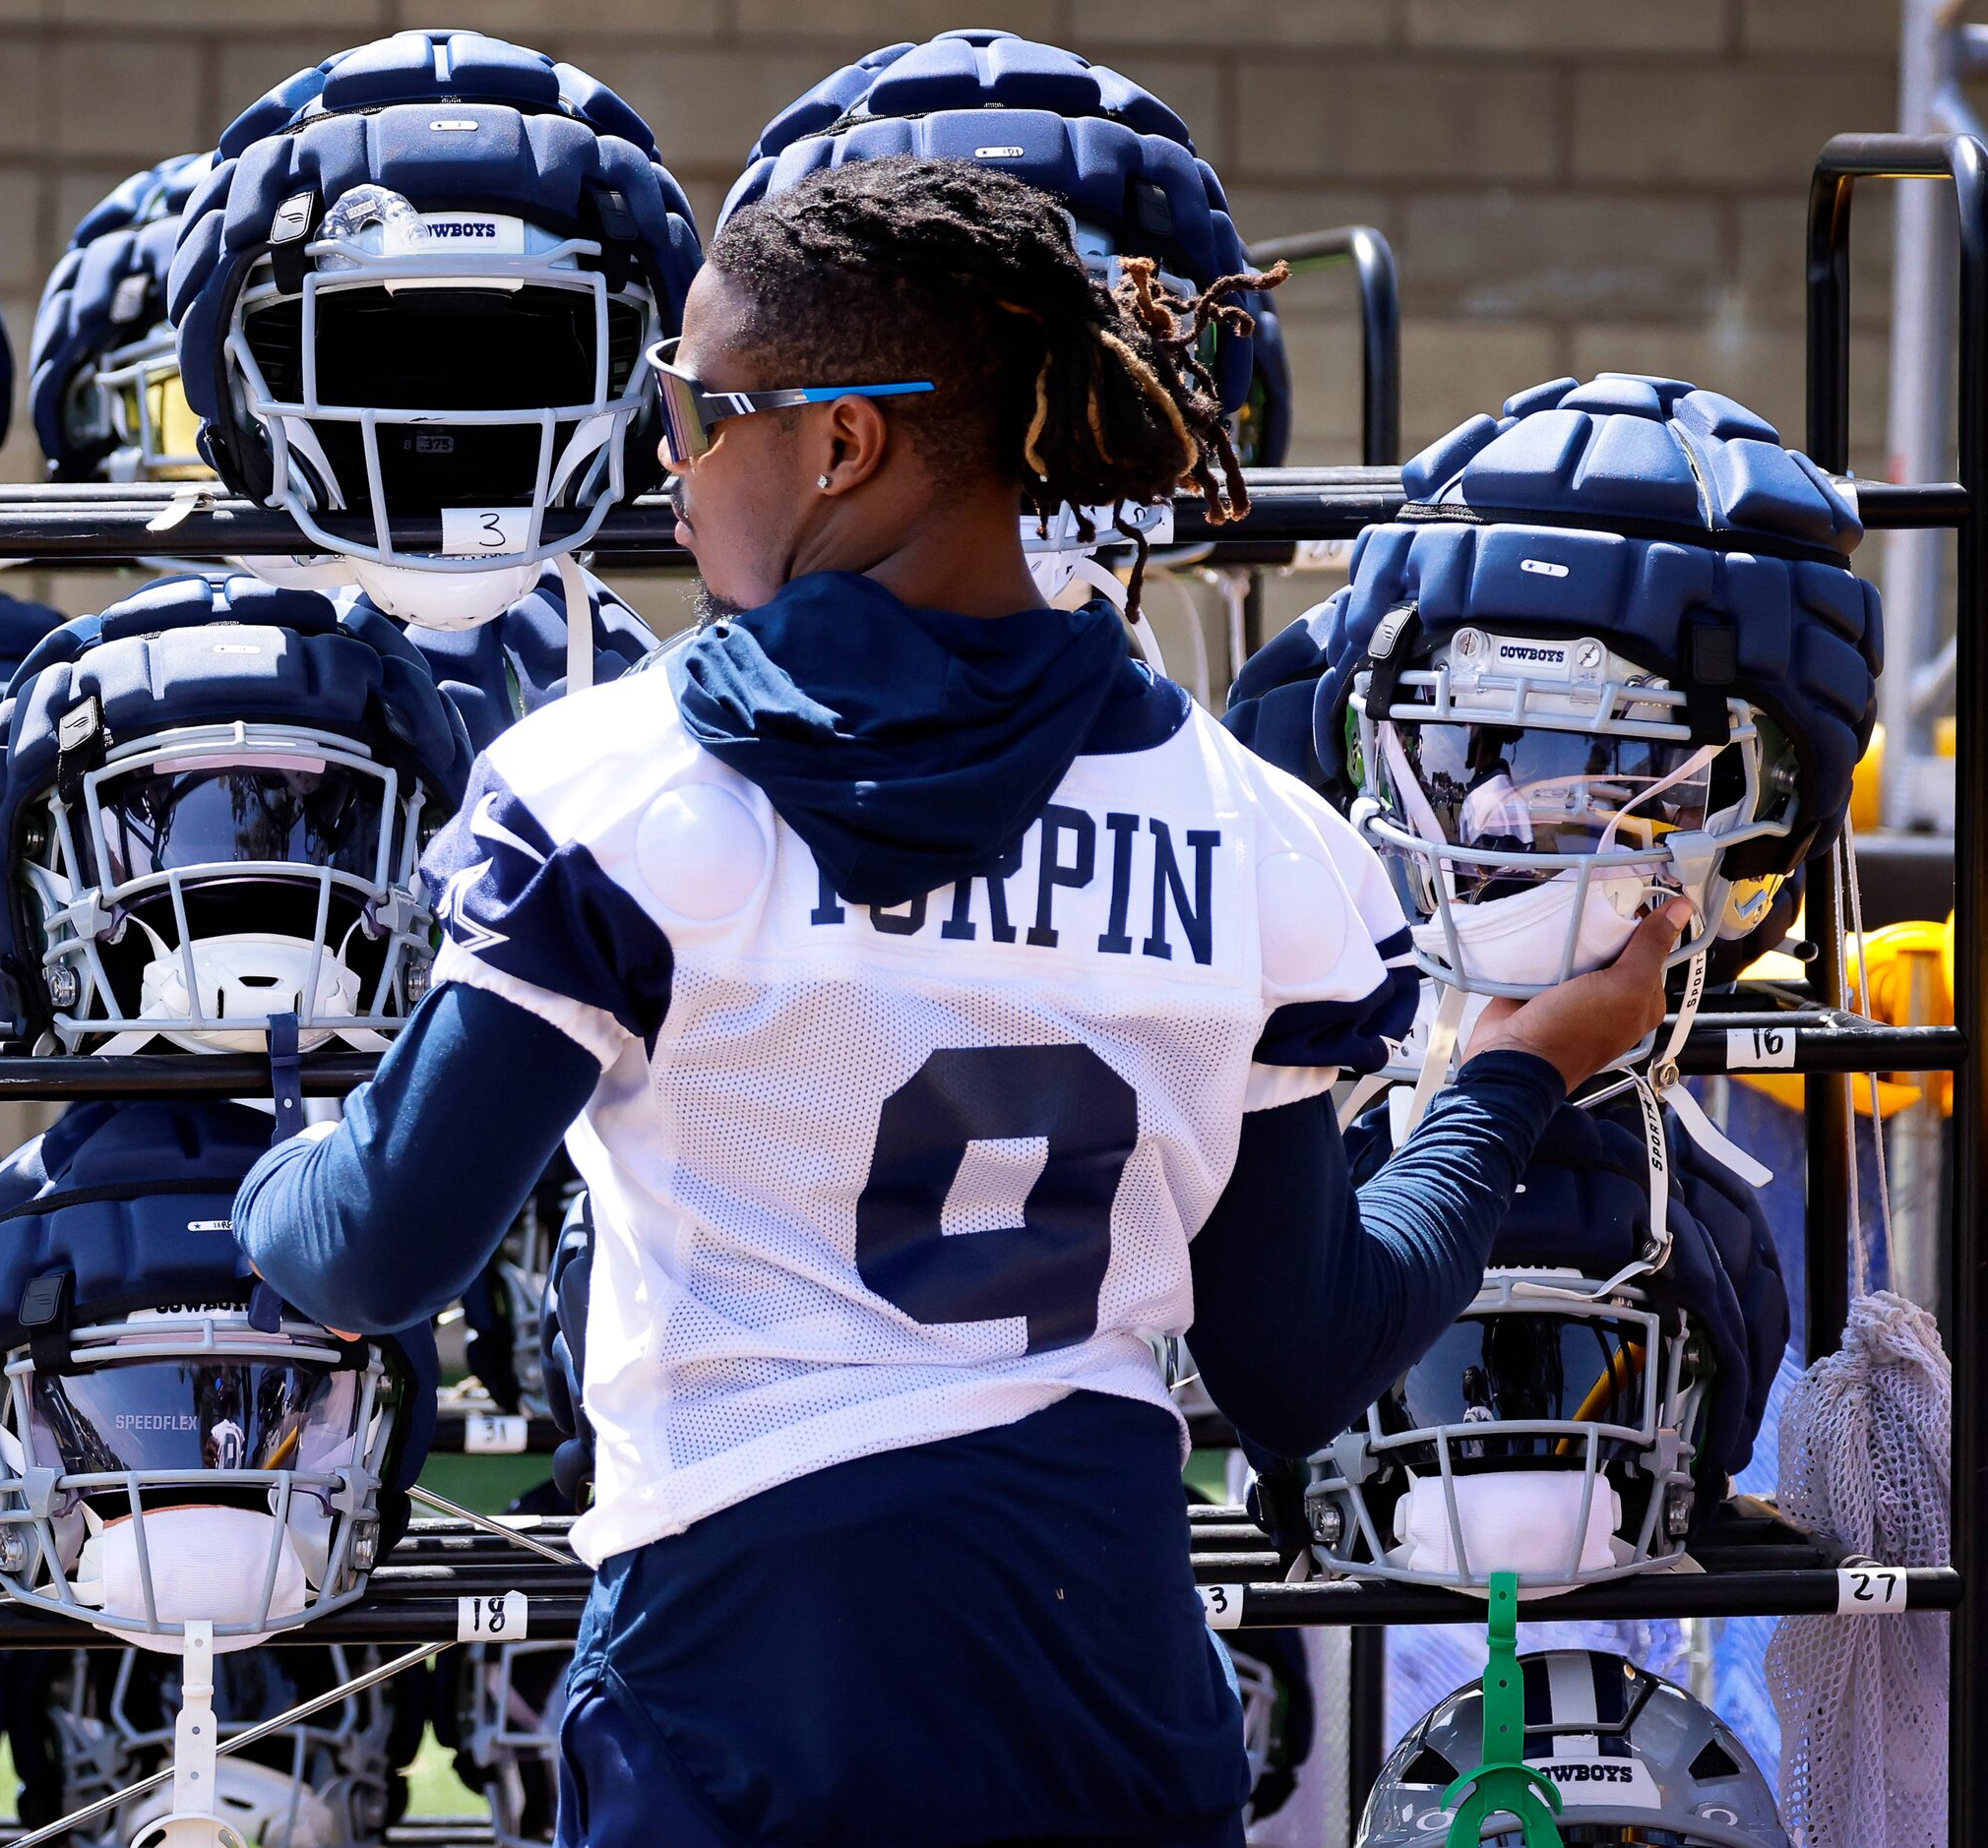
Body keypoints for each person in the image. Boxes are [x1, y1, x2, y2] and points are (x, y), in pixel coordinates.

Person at [236, 154, 1683, 1847]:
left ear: (844, 441)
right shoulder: (1255, 833)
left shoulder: (625, 792)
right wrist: (1508, 1080)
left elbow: (385, 1245)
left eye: (701, 411)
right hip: (1104, 1660)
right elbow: (1296, 1364)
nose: (670, 461)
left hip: (750, 1658)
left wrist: (271, 1164)